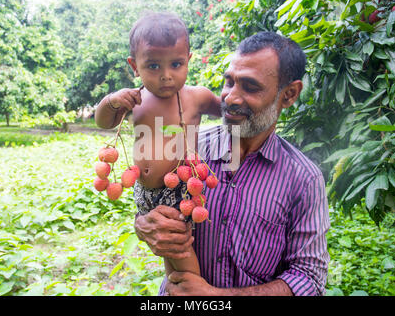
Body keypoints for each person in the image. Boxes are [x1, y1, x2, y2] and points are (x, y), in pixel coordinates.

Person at [134, 31, 331, 296]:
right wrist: (144, 224)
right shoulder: (188, 147)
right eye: (229, 82)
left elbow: (308, 278)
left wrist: (217, 297)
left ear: (289, 93)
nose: (230, 97)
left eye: (250, 87)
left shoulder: (304, 179)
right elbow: (152, 196)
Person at [94, 12, 221, 278]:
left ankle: (195, 292)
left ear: (188, 61)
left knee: (179, 250)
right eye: (153, 66)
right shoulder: (133, 99)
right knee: (167, 253)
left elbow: (228, 110)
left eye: (176, 64)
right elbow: (104, 122)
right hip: (143, 192)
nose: (166, 75)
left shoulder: (196, 97)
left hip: (180, 188)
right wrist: (112, 101)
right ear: (134, 66)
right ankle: (178, 290)